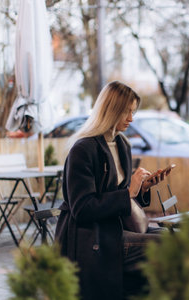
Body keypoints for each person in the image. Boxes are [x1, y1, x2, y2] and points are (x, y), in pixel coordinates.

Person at [55, 81, 170, 300]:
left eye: (133, 111)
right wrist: (128, 193)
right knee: (166, 246)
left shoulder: (122, 144)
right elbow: (82, 208)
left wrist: (142, 188)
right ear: (111, 110)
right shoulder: (83, 150)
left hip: (117, 228)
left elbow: (120, 192)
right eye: (126, 111)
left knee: (173, 238)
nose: (131, 118)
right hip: (92, 237)